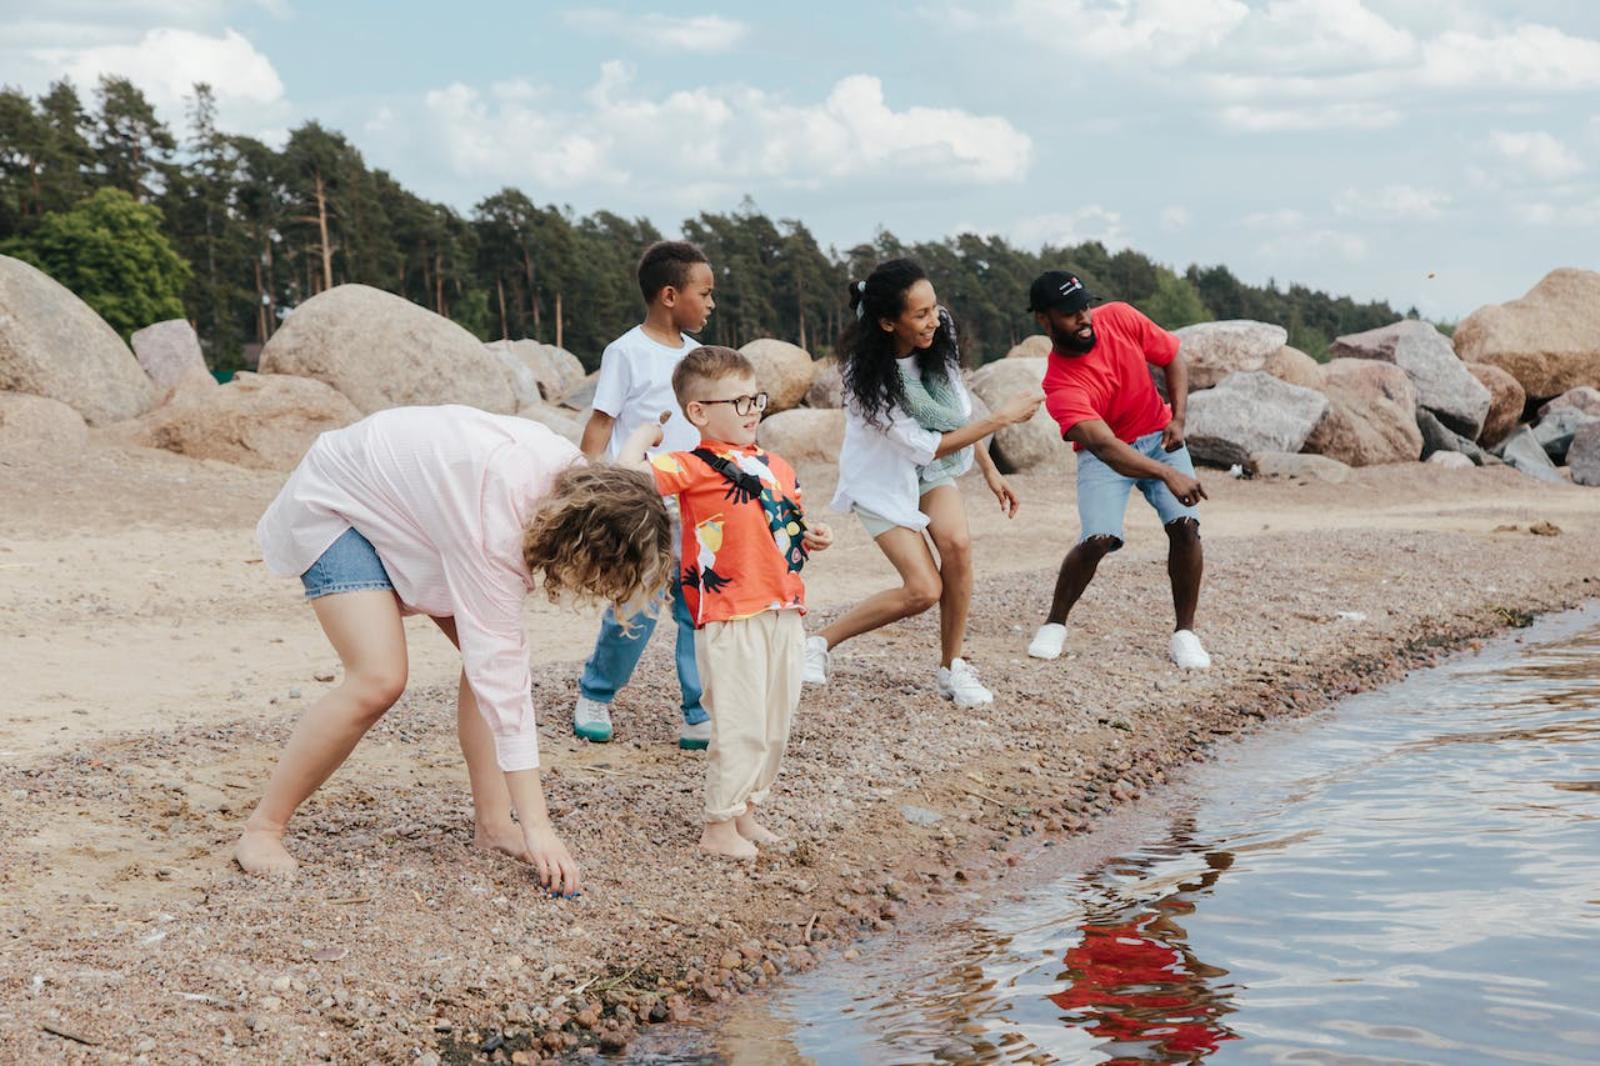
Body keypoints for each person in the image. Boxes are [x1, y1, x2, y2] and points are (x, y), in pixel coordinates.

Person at [238, 405, 673, 894]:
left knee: (487, 660)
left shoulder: (583, 485)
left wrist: (646, 433)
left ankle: (492, 824)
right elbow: (503, 679)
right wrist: (540, 826)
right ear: (586, 542)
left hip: (417, 513)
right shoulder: (499, 523)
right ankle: (263, 828)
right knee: (379, 679)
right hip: (340, 501)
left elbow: (632, 467)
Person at [805, 258, 1043, 707]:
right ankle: (817, 642)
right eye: (920, 315)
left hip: (930, 472)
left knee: (957, 544)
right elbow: (925, 444)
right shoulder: (866, 378)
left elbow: (956, 411)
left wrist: (990, 470)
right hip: (881, 477)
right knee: (923, 590)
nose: (934, 319)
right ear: (887, 323)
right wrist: (1003, 418)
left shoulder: (940, 338)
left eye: (934, 307)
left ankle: (953, 666)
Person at [643, 346, 833, 859]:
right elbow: (622, 477)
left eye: (756, 400)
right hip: (728, 612)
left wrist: (811, 535)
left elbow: (787, 524)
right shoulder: (690, 466)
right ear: (698, 412)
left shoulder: (778, 466)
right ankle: (717, 825)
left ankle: (747, 808)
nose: (753, 412)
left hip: (783, 606)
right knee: (739, 720)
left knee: (776, 721)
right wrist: (643, 440)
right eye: (740, 402)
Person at [1023, 270, 1212, 669]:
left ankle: (1185, 634)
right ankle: (1055, 623)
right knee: (1098, 539)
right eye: (1071, 313)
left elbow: (1171, 355)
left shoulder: (1120, 317)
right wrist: (1166, 474)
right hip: (1105, 456)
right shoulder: (1060, 385)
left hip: (1158, 435)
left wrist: (1177, 418)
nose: (1084, 318)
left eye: (1086, 306)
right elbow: (1106, 448)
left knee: (1185, 525)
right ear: (1044, 319)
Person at [574, 240, 717, 749]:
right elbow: (601, 422)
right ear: (670, 295)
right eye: (705, 293)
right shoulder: (625, 351)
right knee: (636, 605)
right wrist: (587, 492)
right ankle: (596, 693)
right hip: (645, 505)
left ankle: (698, 711)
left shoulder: (701, 358)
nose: (711, 303)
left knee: (697, 608)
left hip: (699, 501)